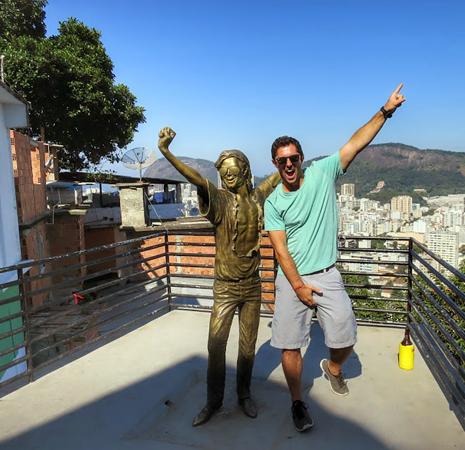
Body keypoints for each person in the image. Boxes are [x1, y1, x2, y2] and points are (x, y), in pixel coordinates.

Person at [264, 84, 406, 432]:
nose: (288, 164)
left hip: (327, 274)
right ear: (275, 164)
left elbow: (357, 141)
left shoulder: (323, 172)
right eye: (282, 160)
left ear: (301, 158)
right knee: (290, 344)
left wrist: (386, 110)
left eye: (293, 158)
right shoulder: (273, 203)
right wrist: (297, 286)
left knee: (345, 335)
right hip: (291, 277)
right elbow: (280, 250)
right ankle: (297, 401)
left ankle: (334, 368)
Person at [158, 127, 281, 426]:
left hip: (253, 286)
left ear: (244, 171)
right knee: (216, 345)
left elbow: (275, 178)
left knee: (248, 346)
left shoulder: (256, 198)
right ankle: (213, 401)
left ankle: (244, 394)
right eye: (223, 170)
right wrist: (166, 152)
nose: (227, 174)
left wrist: (290, 162)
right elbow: (197, 179)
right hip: (225, 288)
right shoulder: (220, 201)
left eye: (233, 169)